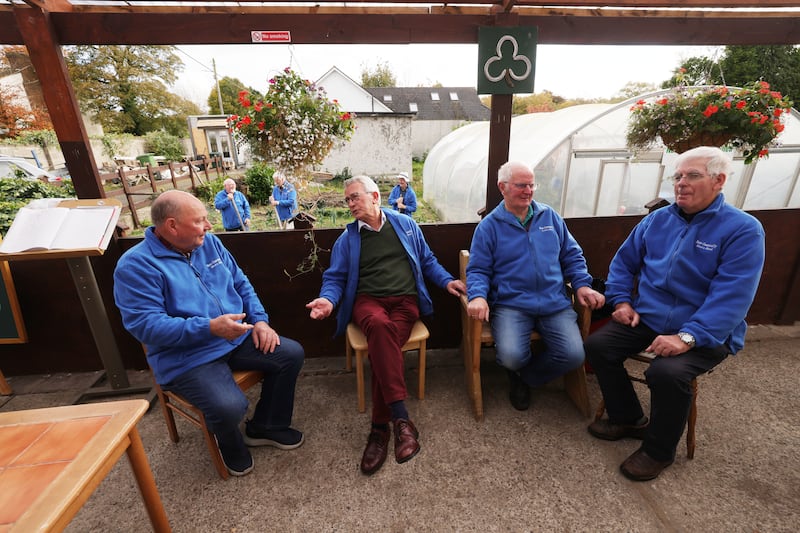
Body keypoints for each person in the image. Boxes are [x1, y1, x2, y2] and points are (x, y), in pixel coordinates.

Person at [585, 146, 765, 481]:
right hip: (650, 317)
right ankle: (629, 418)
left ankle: (658, 450)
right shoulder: (657, 219)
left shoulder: (743, 230)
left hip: (708, 332)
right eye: (678, 176)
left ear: (719, 180)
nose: (681, 183)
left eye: (692, 176)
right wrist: (622, 302)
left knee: (666, 374)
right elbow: (624, 263)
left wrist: (687, 337)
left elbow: (733, 297)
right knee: (598, 345)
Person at [114, 190, 305, 477]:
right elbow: (145, 325)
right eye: (200, 220)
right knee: (230, 406)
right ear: (171, 226)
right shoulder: (135, 265)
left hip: (235, 338)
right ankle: (227, 440)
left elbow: (241, 284)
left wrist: (261, 321)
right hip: (187, 356)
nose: (209, 226)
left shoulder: (210, 244)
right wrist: (209, 327)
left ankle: (266, 426)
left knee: (290, 354)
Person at [306, 175, 465, 476]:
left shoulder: (406, 225)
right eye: (347, 199)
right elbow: (335, 279)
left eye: (355, 197)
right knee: (380, 329)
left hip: (405, 302)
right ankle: (400, 420)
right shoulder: (347, 239)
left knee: (384, 343)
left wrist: (447, 281)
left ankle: (379, 431)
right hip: (368, 302)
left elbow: (427, 260)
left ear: (375, 196)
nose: (350, 203)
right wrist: (327, 301)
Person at [466, 161, 605, 411]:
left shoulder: (549, 216)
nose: (528, 191)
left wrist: (582, 285)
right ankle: (516, 369)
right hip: (511, 305)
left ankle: (525, 378)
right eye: (521, 185)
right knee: (510, 356)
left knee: (574, 355)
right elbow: (478, 269)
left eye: (531, 185)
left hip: (554, 302)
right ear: (503, 187)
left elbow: (572, 255)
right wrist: (477, 296)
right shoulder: (489, 226)